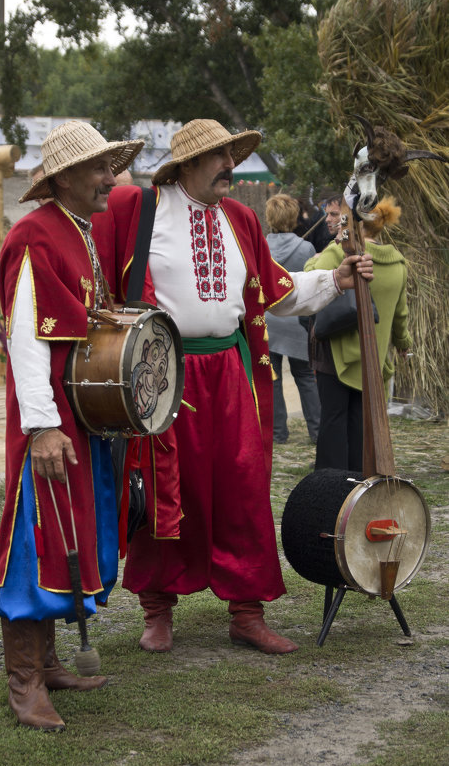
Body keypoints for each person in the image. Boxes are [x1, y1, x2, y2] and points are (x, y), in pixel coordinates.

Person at [92, 118, 373, 656]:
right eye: (220, 157)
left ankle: (247, 611)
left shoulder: (241, 218)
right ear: (189, 165)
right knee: (167, 488)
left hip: (232, 372)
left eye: (231, 155)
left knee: (243, 488)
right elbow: (96, 271)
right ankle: (157, 609)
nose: (230, 166)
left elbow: (274, 289)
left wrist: (334, 280)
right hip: (166, 372)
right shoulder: (142, 211)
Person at [0, 120, 144, 731]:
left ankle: (51, 661)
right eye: (96, 168)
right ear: (61, 177)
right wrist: (41, 427)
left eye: (110, 166)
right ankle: (24, 683)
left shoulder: (79, 229)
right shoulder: (34, 236)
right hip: (48, 422)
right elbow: (27, 340)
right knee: (39, 542)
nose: (109, 178)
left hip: (74, 416)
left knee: (69, 535)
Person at [304, 196, 412, 472]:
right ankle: (359, 487)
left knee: (333, 422)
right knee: (360, 425)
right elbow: (401, 315)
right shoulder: (398, 264)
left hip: (337, 355)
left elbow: (309, 277)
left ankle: (330, 489)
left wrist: (330, 247)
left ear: (353, 222)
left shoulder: (342, 251)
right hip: (373, 358)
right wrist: (403, 344)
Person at [264, 193, 320, 444]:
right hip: (298, 320)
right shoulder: (306, 248)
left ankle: (278, 433)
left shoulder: (261, 246)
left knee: (273, 379)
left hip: (268, 321)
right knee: (307, 378)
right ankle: (318, 433)